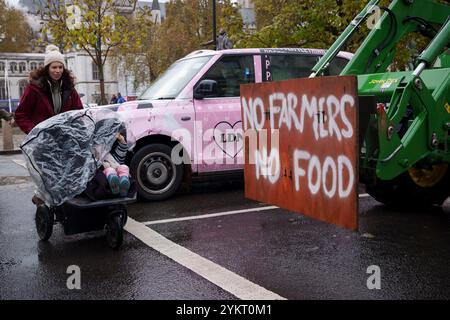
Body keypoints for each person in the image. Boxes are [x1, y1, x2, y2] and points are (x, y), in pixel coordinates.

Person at [15, 44, 83, 134]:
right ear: (47, 68)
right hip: (42, 140)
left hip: (65, 139)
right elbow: (21, 114)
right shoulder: (34, 88)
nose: (58, 71)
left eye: (60, 67)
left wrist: (75, 131)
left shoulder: (69, 88)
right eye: (54, 67)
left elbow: (79, 113)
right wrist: (35, 132)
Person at [102, 130, 130, 197]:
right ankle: (114, 184)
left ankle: (123, 181)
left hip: (115, 164)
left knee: (124, 167)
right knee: (110, 170)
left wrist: (122, 141)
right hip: (107, 168)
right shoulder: (97, 153)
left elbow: (120, 155)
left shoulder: (110, 153)